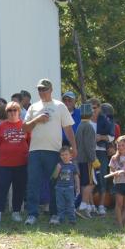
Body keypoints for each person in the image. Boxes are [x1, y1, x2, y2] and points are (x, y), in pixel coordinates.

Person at [22, 79, 77, 225]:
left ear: (51, 90)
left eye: (44, 89)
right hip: (35, 151)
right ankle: (32, 214)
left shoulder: (60, 106)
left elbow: (68, 128)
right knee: (33, 183)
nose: (41, 92)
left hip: (54, 151)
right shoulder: (33, 107)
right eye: (39, 89)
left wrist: (74, 147)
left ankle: (54, 214)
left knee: (54, 183)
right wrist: (37, 120)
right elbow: (24, 128)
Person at [0, 102, 30, 223]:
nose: (12, 113)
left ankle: (16, 212)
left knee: (19, 189)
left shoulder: (25, 125)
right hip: (3, 165)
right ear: (6, 113)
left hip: (21, 164)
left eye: (14, 110)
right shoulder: (2, 126)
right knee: (1, 189)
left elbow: (31, 143)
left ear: (19, 112)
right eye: (10, 111)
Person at [90, 98, 114, 213]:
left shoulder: (105, 120)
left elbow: (112, 137)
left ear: (99, 108)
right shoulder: (84, 120)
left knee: (102, 178)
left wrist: (101, 137)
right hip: (87, 152)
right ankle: (90, 205)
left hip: (101, 152)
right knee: (89, 179)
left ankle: (101, 205)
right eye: (90, 108)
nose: (93, 110)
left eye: (95, 108)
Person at [74, 103, 97, 218]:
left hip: (80, 159)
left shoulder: (80, 125)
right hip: (88, 160)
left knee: (84, 183)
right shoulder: (88, 126)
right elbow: (89, 146)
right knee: (91, 183)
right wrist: (94, 159)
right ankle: (83, 206)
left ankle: (85, 206)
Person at [51, 146, 79, 225]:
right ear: (60, 156)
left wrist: (77, 186)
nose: (64, 156)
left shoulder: (73, 166)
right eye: (62, 155)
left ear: (70, 155)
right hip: (59, 188)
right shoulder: (59, 165)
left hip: (69, 188)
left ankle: (72, 220)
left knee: (70, 204)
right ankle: (61, 219)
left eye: (66, 154)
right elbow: (54, 177)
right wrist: (57, 169)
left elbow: (76, 177)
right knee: (60, 205)